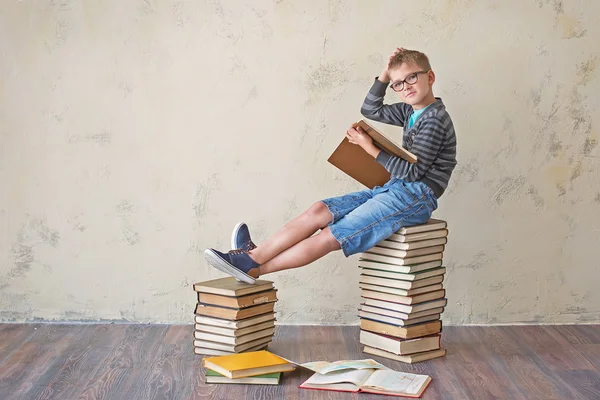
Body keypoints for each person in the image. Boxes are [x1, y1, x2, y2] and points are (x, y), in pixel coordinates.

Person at [204, 47, 457, 284]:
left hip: (414, 196)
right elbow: (370, 108)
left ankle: (253, 266)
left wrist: (367, 145)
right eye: (398, 84)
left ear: (430, 77)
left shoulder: (434, 119)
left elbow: (413, 173)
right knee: (319, 211)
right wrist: (385, 72)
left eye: (412, 78)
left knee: (331, 234)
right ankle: (252, 256)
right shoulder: (410, 112)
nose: (406, 87)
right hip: (395, 188)